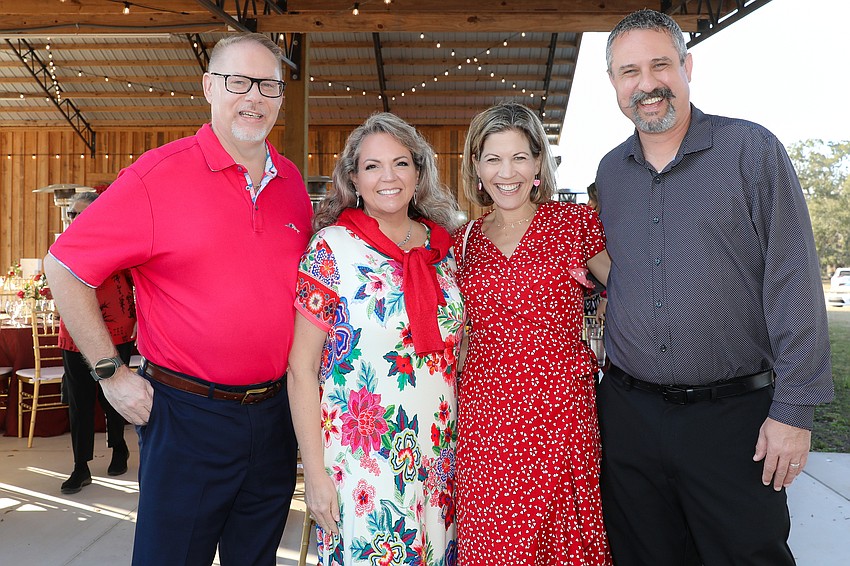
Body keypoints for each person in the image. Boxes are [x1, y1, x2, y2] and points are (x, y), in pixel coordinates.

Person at [44, 33, 313, 565]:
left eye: (268, 86)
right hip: (188, 416)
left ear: (282, 98)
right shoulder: (156, 176)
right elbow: (65, 266)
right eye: (239, 82)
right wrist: (109, 371)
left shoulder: (292, 186)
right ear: (210, 87)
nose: (253, 97)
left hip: (273, 416)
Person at [595, 10, 834, 565]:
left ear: (687, 66)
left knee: (747, 554)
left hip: (734, 421)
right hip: (630, 414)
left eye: (660, 64)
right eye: (629, 71)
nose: (646, 84)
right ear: (613, 83)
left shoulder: (751, 150)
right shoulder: (611, 173)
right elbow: (616, 270)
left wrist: (794, 412)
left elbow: (794, 280)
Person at [288, 112, 464, 565]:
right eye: (372, 166)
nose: (389, 176)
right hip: (363, 459)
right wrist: (315, 475)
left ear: (419, 172)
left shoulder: (442, 249)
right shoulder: (331, 249)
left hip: (440, 455)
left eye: (401, 163)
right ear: (354, 178)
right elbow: (301, 369)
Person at [453, 102, 612, 565]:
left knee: (560, 544)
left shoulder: (576, 225)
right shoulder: (465, 241)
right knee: (493, 543)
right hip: (486, 420)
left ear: (539, 162)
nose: (508, 172)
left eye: (520, 157)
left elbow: (632, 293)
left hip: (559, 413)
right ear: (476, 168)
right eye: (493, 159)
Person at [59, 191, 136, 495]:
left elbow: (136, 282)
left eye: (81, 214)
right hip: (75, 333)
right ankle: (80, 466)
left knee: (111, 394)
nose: (75, 220)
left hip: (113, 333)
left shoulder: (119, 245)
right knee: (79, 400)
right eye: (72, 215)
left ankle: (118, 446)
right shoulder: (63, 245)